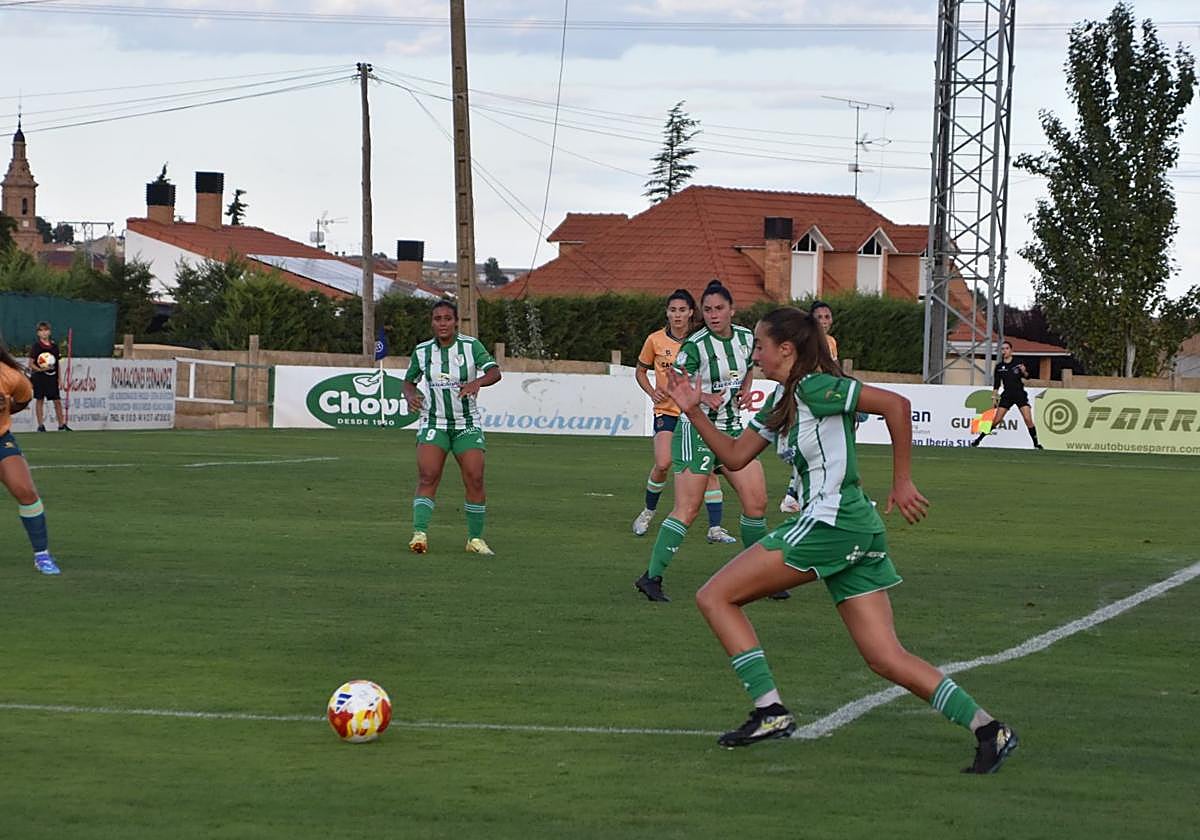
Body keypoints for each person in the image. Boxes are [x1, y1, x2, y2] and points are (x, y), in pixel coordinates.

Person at [663, 306, 1018, 773]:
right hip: (853, 527)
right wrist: (692, 409)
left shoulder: (814, 387)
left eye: (760, 348)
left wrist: (902, 481)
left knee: (715, 597)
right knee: (885, 657)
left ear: (786, 349)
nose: (755, 357)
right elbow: (733, 455)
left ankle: (770, 710)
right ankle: (989, 729)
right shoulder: (785, 399)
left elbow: (897, 406)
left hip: (831, 522)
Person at [634, 280, 768, 603]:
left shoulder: (746, 339)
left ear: (732, 310)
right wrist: (704, 397)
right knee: (688, 509)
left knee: (756, 503)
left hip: (732, 431)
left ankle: (763, 578)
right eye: (707, 310)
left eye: (719, 308)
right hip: (696, 432)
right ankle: (651, 578)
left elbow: (750, 367)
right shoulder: (695, 345)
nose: (713, 315)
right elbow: (675, 382)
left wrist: (746, 387)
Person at [631, 289, 736, 545]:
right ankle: (648, 512)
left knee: (708, 469)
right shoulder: (655, 340)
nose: (677, 315)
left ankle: (715, 528)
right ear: (667, 313)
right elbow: (640, 371)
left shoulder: (701, 340)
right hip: (668, 411)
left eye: (682, 310)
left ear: (691, 312)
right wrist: (652, 391)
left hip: (695, 414)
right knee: (663, 463)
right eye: (672, 310)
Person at [402, 300, 502, 556]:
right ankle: (419, 534)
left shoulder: (471, 346)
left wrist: (477, 382)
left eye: (447, 318)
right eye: (438, 319)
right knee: (428, 475)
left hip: (466, 423)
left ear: (456, 322)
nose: (443, 323)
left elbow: (494, 372)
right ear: (432, 322)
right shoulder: (422, 351)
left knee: (475, 478)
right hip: (434, 422)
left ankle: (475, 539)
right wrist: (410, 395)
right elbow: (409, 382)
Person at [0, 340, 61, 574]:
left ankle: (42, 555)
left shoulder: (9, 375)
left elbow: (24, 397)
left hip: (1, 440)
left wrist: (7, 407)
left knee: (26, 491)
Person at [780, 301, 837, 514]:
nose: (823, 321)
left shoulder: (831, 342)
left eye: (827, 317)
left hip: (822, 397)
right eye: (819, 317)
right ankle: (795, 495)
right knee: (807, 447)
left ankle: (796, 495)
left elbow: (832, 369)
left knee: (818, 448)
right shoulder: (803, 341)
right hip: (807, 396)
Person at [970, 340, 1043, 449]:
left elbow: (1027, 376)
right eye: (1002, 349)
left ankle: (1036, 444)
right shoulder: (999, 366)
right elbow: (997, 383)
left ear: (1011, 350)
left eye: (1006, 348)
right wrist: (994, 396)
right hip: (1007, 395)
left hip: (1019, 394)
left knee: (1028, 419)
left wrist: (1024, 371)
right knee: (996, 420)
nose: (1004, 351)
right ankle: (978, 440)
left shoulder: (1018, 362)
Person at [29, 321, 70, 432]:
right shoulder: (36, 347)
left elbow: (57, 364)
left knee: (57, 400)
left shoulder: (54, 347)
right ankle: (40, 425)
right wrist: (41, 369)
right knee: (40, 400)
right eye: (41, 330)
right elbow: (31, 364)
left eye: (46, 330)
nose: (44, 333)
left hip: (52, 378)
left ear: (50, 332)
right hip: (39, 378)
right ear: (38, 333)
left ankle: (61, 425)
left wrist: (59, 378)